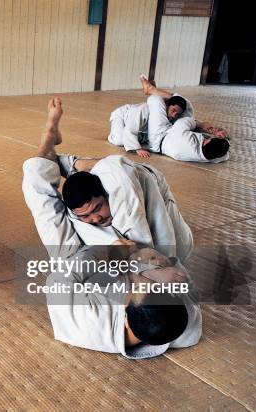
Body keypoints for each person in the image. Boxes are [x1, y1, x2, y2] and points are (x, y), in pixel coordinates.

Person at [22, 97, 193, 262]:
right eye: (87, 215)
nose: (96, 219)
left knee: (114, 173)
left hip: (144, 184)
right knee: (37, 176)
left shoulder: (120, 191)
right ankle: (53, 140)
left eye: (97, 208)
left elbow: (149, 251)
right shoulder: (85, 212)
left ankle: (62, 151)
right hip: (124, 187)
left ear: (105, 194)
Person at [45, 244, 202, 358]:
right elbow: (184, 282)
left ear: (125, 318)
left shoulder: (86, 312)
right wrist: (159, 271)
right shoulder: (187, 330)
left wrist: (109, 249)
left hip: (78, 258)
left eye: (134, 292)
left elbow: (56, 279)